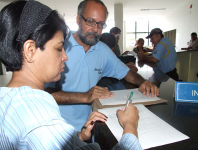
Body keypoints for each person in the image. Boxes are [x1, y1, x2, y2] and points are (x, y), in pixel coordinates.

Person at [0, 1, 143, 149]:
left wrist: (78, 138)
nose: (65, 56)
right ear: (30, 50)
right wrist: (130, 126)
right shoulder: (41, 123)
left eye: (100, 24)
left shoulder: (9, 100)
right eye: (59, 48)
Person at [45, 0, 159, 132]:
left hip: (88, 126)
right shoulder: (59, 45)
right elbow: (42, 93)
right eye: (90, 21)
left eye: (101, 24)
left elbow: (126, 72)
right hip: (56, 127)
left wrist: (143, 82)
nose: (95, 29)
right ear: (78, 19)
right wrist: (84, 96)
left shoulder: (102, 50)